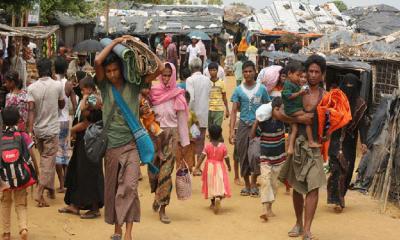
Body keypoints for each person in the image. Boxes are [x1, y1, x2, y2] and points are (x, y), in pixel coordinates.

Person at [94, 36, 163, 240]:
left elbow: (159, 68)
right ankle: (117, 229)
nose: (112, 74)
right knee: (115, 189)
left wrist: (138, 44)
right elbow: (98, 61)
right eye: (109, 71)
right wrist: (115, 43)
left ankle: (129, 233)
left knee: (130, 187)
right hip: (111, 148)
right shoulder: (105, 87)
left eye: (115, 70)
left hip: (131, 145)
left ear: (122, 68)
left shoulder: (134, 84)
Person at [278, 55, 327, 240]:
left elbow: (331, 121)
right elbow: (279, 113)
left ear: (322, 75)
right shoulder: (295, 88)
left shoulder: (325, 96)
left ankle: (307, 229)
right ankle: (298, 223)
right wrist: (299, 119)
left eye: (317, 72)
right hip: (296, 144)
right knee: (297, 187)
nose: (313, 75)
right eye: (310, 71)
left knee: (313, 186)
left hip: (314, 147)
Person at [58, 76, 104, 219]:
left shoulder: (93, 100)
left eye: (83, 89)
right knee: (78, 171)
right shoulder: (90, 98)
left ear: (89, 88)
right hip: (83, 140)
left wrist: (71, 131)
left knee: (89, 172)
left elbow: (85, 121)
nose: (82, 91)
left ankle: (95, 208)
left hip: (90, 141)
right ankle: (75, 205)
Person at [150, 62, 190, 224]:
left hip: (171, 137)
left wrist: (184, 143)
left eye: (169, 75)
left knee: (166, 173)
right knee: (154, 172)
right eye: (164, 75)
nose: (166, 78)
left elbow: (182, 121)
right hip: (154, 135)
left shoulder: (178, 95)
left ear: (173, 75)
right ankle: (157, 195)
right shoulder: (153, 92)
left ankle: (163, 208)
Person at [327, 73, 368, 213]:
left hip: (350, 142)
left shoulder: (360, 104)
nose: (349, 89)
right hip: (335, 139)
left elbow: (362, 125)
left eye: (352, 87)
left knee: (347, 170)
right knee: (336, 169)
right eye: (347, 86)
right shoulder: (337, 101)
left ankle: (341, 195)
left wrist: (364, 142)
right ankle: (336, 199)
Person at [229, 60, 271, 197]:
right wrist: (231, 132)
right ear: (242, 73)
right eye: (245, 72)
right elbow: (234, 111)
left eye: (250, 71)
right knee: (242, 155)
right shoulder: (238, 90)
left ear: (255, 72)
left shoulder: (262, 89)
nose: (248, 74)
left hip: (257, 126)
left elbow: (268, 107)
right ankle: (247, 185)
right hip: (242, 126)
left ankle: (254, 182)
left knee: (255, 154)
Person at [27, 58, 65, 207]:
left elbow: (30, 110)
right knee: (48, 162)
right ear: (51, 70)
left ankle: (49, 190)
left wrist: (30, 131)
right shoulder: (56, 85)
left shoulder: (32, 87)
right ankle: (39, 190)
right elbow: (61, 105)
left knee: (45, 161)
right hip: (52, 130)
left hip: (38, 130)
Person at [1, 107, 38, 240]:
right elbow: (32, 155)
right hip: (21, 176)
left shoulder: (0, 136)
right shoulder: (23, 136)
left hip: (4, 178)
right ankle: (23, 228)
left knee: (5, 203)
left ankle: (6, 233)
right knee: (21, 204)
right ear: (18, 119)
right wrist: (36, 172)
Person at [251, 97, 286, 222]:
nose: (280, 111)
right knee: (265, 181)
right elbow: (252, 135)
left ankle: (269, 207)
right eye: (278, 109)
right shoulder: (264, 123)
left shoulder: (283, 122)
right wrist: (257, 121)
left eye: (282, 109)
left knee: (274, 184)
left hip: (279, 158)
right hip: (265, 157)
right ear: (273, 109)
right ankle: (264, 210)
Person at [282, 61, 320, 155]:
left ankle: (290, 147)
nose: (300, 78)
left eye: (303, 76)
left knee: (294, 129)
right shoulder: (288, 84)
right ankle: (310, 141)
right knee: (307, 118)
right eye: (299, 76)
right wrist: (300, 93)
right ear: (290, 74)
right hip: (292, 110)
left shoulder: (295, 85)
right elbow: (288, 96)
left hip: (293, 110)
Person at [194, 125, 231, 214]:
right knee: (220, 184)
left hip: (209, 167)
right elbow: (226, 158)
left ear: (209, 135)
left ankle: (213, 202)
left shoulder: (207, 146)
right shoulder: (223, 147)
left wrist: (197, 167)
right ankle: (219, 198)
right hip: (220, 167)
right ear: (220, 135)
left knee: (210, 184)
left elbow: (202, 157)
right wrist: (229, 166)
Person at [54, 56, 77, 194]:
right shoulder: (68, 84)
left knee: (57, 153)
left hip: (54, 121)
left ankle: (61, 183)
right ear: (65, 69)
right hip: (66, 120)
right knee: (66, 151)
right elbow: (75, 105)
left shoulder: (52, 82)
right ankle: (67, 183)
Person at [186, 57, 211, 168]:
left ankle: (192, 164)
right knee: (201, 141)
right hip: (204, 114)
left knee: (192, 140)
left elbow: (190, 99)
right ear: (200, 67)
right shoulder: (207, 80)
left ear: (191, 67)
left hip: (193, 115)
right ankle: (198, 167)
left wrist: (188, 113)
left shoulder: (190, 80)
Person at [139, 82, 163, 160]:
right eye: (145, 88)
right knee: (157, 134)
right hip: (146, 122)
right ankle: (158, 152)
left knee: (157, 135)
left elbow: (151, 107)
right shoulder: (139, 97)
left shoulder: (147, 97)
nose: (148, 90)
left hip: (151, 120)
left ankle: (158, 152)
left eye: (149, 88)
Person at [176, 91, 199, 173]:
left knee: (188, 166)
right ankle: (180, 184)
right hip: (178, 142)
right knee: (179, 165)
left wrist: (195, 137)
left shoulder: (191, 113)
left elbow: (195, 124)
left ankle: (187, 183)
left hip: (189, 143)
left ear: (188, 101)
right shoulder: (175, 113)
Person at [207, 62, 229, 127]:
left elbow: (224, 97)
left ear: (217, 71)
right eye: (210, 70)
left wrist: (227, 109)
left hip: (219, 109)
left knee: (217, 129)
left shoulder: (222, 83)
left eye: (214, 70)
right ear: (208, 71)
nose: (212, 72)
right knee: (210, 129)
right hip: (209, 109)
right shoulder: (207, 82)